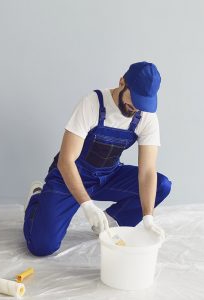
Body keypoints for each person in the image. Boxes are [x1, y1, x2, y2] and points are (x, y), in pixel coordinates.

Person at [23, 61, 172, 257]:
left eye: (142, 103)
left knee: (161, 184)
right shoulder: (92, 103)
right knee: (41, 246)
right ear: (121, 82)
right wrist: (87, 205)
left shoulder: (146, 116)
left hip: (109, 175)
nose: (136, 107)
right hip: (70, 176)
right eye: (133, 99)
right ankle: (37, 198)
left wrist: (148, 218)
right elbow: (66, 161)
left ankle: (112, 221)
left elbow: (147, 172)